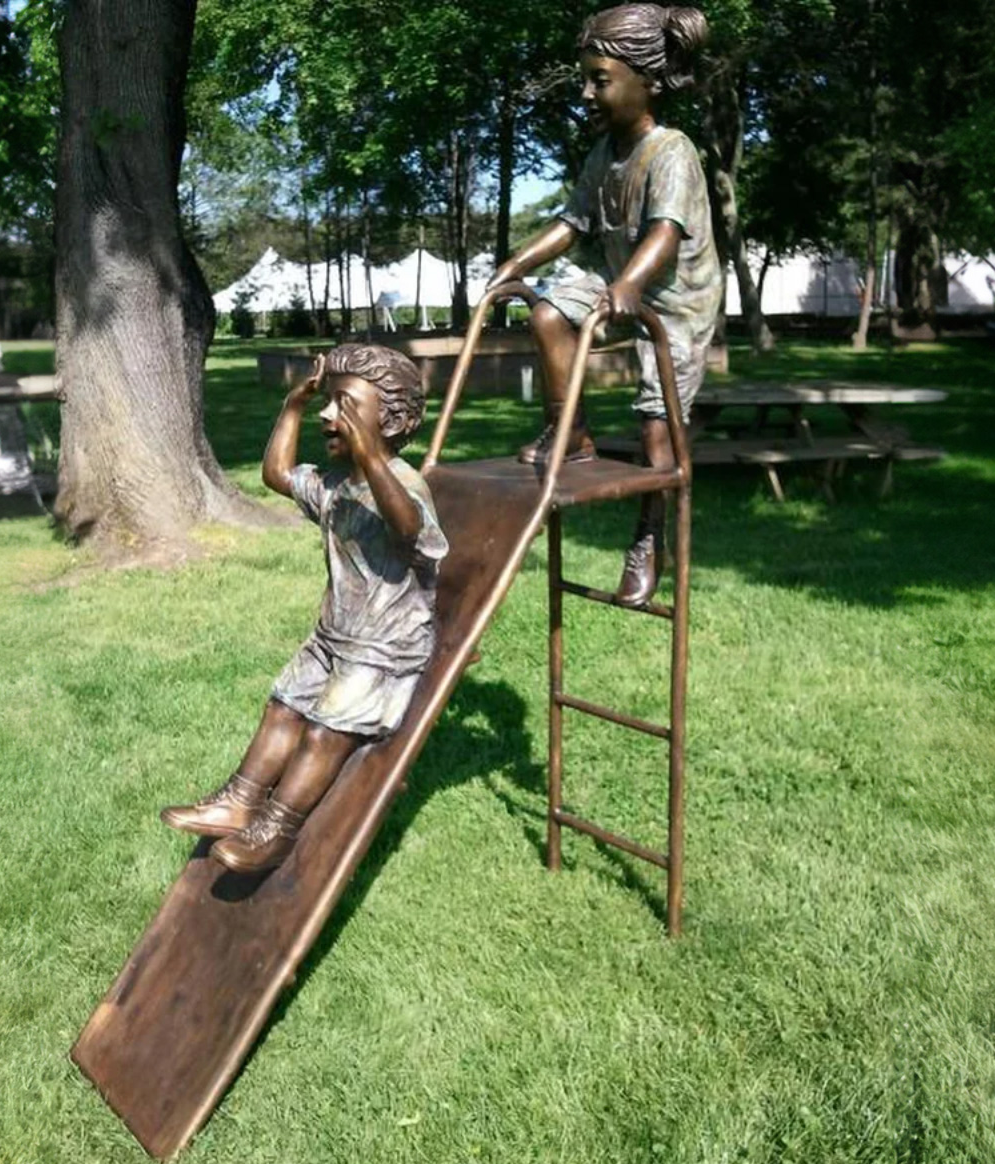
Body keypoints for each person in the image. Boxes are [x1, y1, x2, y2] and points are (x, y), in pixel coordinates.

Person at [161, 344, 449, 873]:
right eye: (327, 404)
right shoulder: (338, 485)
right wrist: (292, 404)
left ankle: (278, 827)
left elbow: (408, 529)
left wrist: (370, 459)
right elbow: (278, 474)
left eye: (344, 405)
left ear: (391, 422)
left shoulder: (404, 487)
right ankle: (240, 799)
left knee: (323, 731)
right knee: (283, 705)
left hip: (386, 648)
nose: (327, 414)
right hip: (335, 635)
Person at [488, 3, 721, 607]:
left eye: (600, 79)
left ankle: (650, 535)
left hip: (674, 298)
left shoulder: (673, 151)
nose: (587, 92)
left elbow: (664, 233)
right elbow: (571, 224)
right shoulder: (602, 155)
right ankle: (572, 434)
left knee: (656, 429)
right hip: (618, 277)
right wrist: (517, 265)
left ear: (647, 81)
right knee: (547, 314)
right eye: (585, 79)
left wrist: (630, 287)